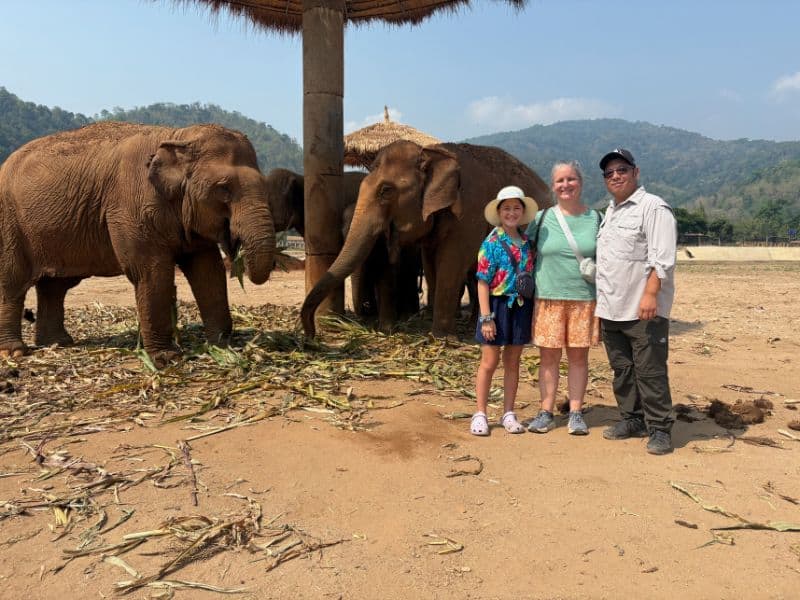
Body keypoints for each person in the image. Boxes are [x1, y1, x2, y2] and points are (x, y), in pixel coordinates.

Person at [595, 148, 677, 455]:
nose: (615, 176)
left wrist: (650, 294)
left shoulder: (653, 207)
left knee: (650, 370)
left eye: (622, 170)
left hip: (643, 309)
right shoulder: (611, 212)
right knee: (623, 369)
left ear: (635, 172)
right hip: (612, 308)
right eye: (609, 173)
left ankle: (660, 428)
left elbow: (663, 259)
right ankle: (632, 419)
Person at [526, 161, 601, 436]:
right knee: (548, 358)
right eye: (560, 181)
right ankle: (546, 411)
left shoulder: (596, 218)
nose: (566, 185)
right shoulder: (542, 219)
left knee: (579, 358)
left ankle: (576, 412)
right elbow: (522, 248)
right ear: (553, 186)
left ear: (581, 183)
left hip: (584, 299)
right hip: (548, 299)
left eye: (571, 179)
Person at [471, 186, 538, 436]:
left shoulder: (527, 244)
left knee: (513, 361)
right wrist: (486, 317)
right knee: (489, 361)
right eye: (506, 208)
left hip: (520, 307)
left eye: (516, 208)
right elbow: (482, 282)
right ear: (499, 213)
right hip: (496, 306)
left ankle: (508, 412)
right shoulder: (491, 242)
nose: (512, 213)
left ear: (523, 212)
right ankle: (480, 413)